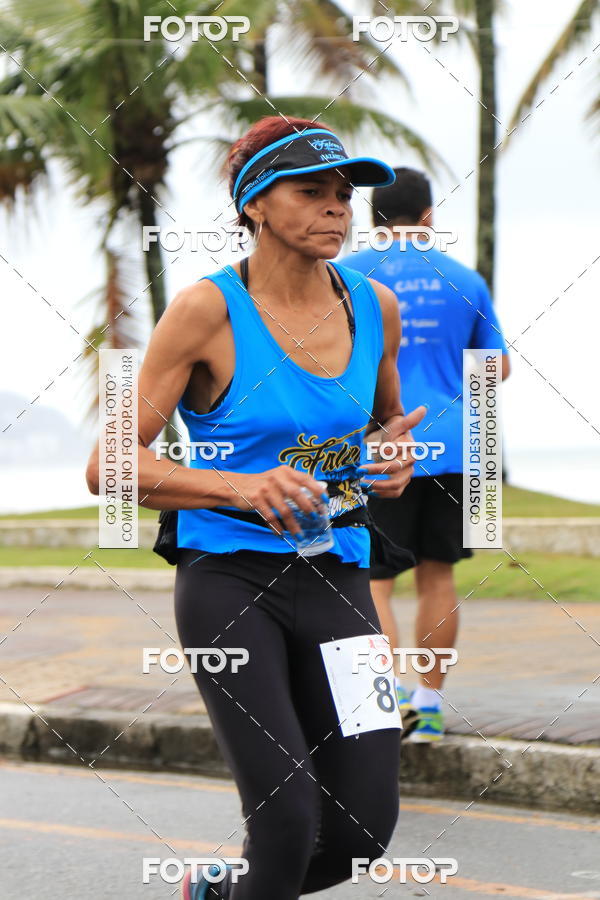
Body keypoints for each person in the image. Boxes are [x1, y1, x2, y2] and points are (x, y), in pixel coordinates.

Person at [86, 119, 426, 899]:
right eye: (312, 192)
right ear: (255, 206)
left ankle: (217, 894)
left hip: (339, 576)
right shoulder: (205, 310)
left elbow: (382, 430)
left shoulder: (376, 306)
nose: (337, 208)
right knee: (284, 817)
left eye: (345, 195)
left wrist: (390, 462)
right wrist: (241, 485)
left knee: (363, 827)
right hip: (228, 584)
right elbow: (111, 464)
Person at [343, 167, 510, 743]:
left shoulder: (348, 276)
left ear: (370, 217)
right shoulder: (464, 278)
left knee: (373, 581)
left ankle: (382, 709)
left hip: (378, 451)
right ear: (429, 218)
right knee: (438, 577)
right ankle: (429, 708)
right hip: (455, 447)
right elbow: (496, 367)